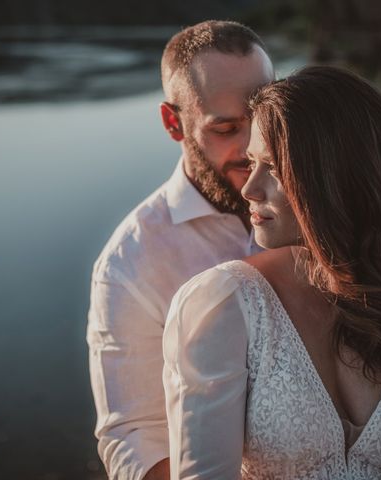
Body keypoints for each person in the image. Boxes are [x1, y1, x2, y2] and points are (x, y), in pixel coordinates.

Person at [163, 66, 381, 479]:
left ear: (338, 178)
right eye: (252, 163)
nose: (249, 188)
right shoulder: (224, 308)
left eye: (273, 168)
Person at [86, 21, 274, 480]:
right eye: (227, 128)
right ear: (175, 123)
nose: (252, 148)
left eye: (263, 119)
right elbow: (133, 435)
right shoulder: (132, 262)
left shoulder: (317, 201)